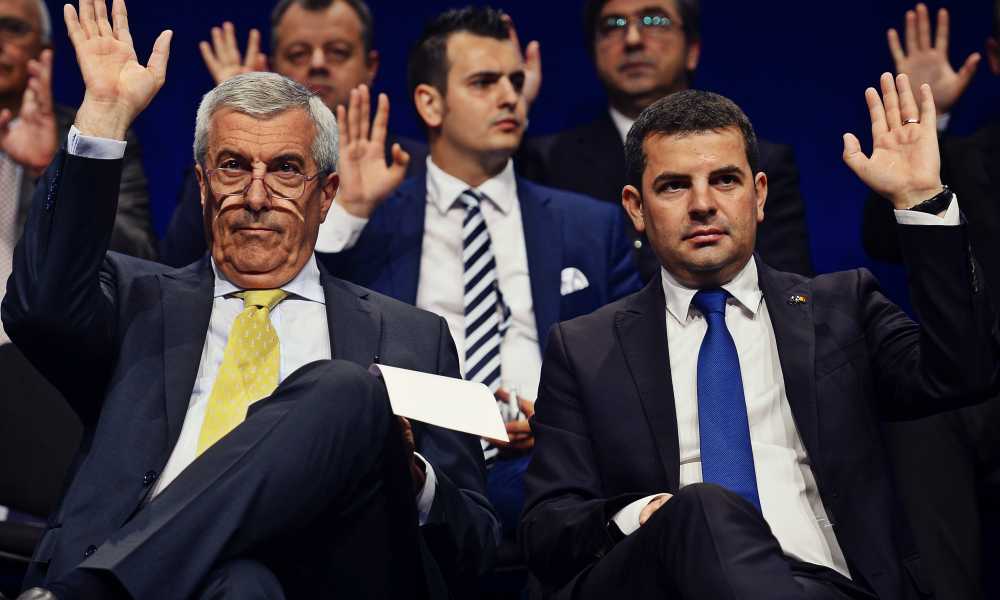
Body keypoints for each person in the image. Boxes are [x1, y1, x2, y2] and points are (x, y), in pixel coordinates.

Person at [2, 1, 497, 598]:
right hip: (191, 583)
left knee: (348, 388)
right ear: (202, 184)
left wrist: (409, 472)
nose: (257, 196)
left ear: (325, 194)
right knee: (243, 585)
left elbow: (475, 547)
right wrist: (104, 115)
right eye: (233, 166)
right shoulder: (137, 301)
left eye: (286, 169)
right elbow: (38, 305)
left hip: (336, 575)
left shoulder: (412, 336)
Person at [521, 75, 1000, 599]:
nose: (702, 204)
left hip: (826, 586)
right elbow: (548, 527)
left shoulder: (843, 308)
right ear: (636, 207)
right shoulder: (585, 348)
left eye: (725, 180)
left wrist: (921, 200)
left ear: (760, 194)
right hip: (665, 585)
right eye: (674, 186)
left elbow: (962, 372)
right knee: (702, 505)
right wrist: (648, 515)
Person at [316, 6, 641, 541]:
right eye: (484, 82)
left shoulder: (591, 226)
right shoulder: (372, 220)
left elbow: (632, 367)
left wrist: (559, 418)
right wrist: (348, 216)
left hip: (549, 467)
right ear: (430, 103)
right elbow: (311, 330)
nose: (510, 96)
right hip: (409, 460)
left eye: (515, 80)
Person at [519, 0, 812, 282]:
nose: (632, 39)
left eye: (654, 20)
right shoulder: (547, 162)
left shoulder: (763, 161)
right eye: (613, 24)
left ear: (692, 50)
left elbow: (789, 292)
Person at [861, 5, 1000, 598]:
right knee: (920, 407)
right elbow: (882, 239)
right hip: (982, 396)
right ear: (995, 58)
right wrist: (930, 119)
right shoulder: (964, 160)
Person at [159, 0, 434, 267]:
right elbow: (178, 266)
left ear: (370, 66)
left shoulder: (419, 167)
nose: (317, 63)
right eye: (298, 54)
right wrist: (232, 128)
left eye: (338, 52)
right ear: (272, 68)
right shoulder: (224, 165)